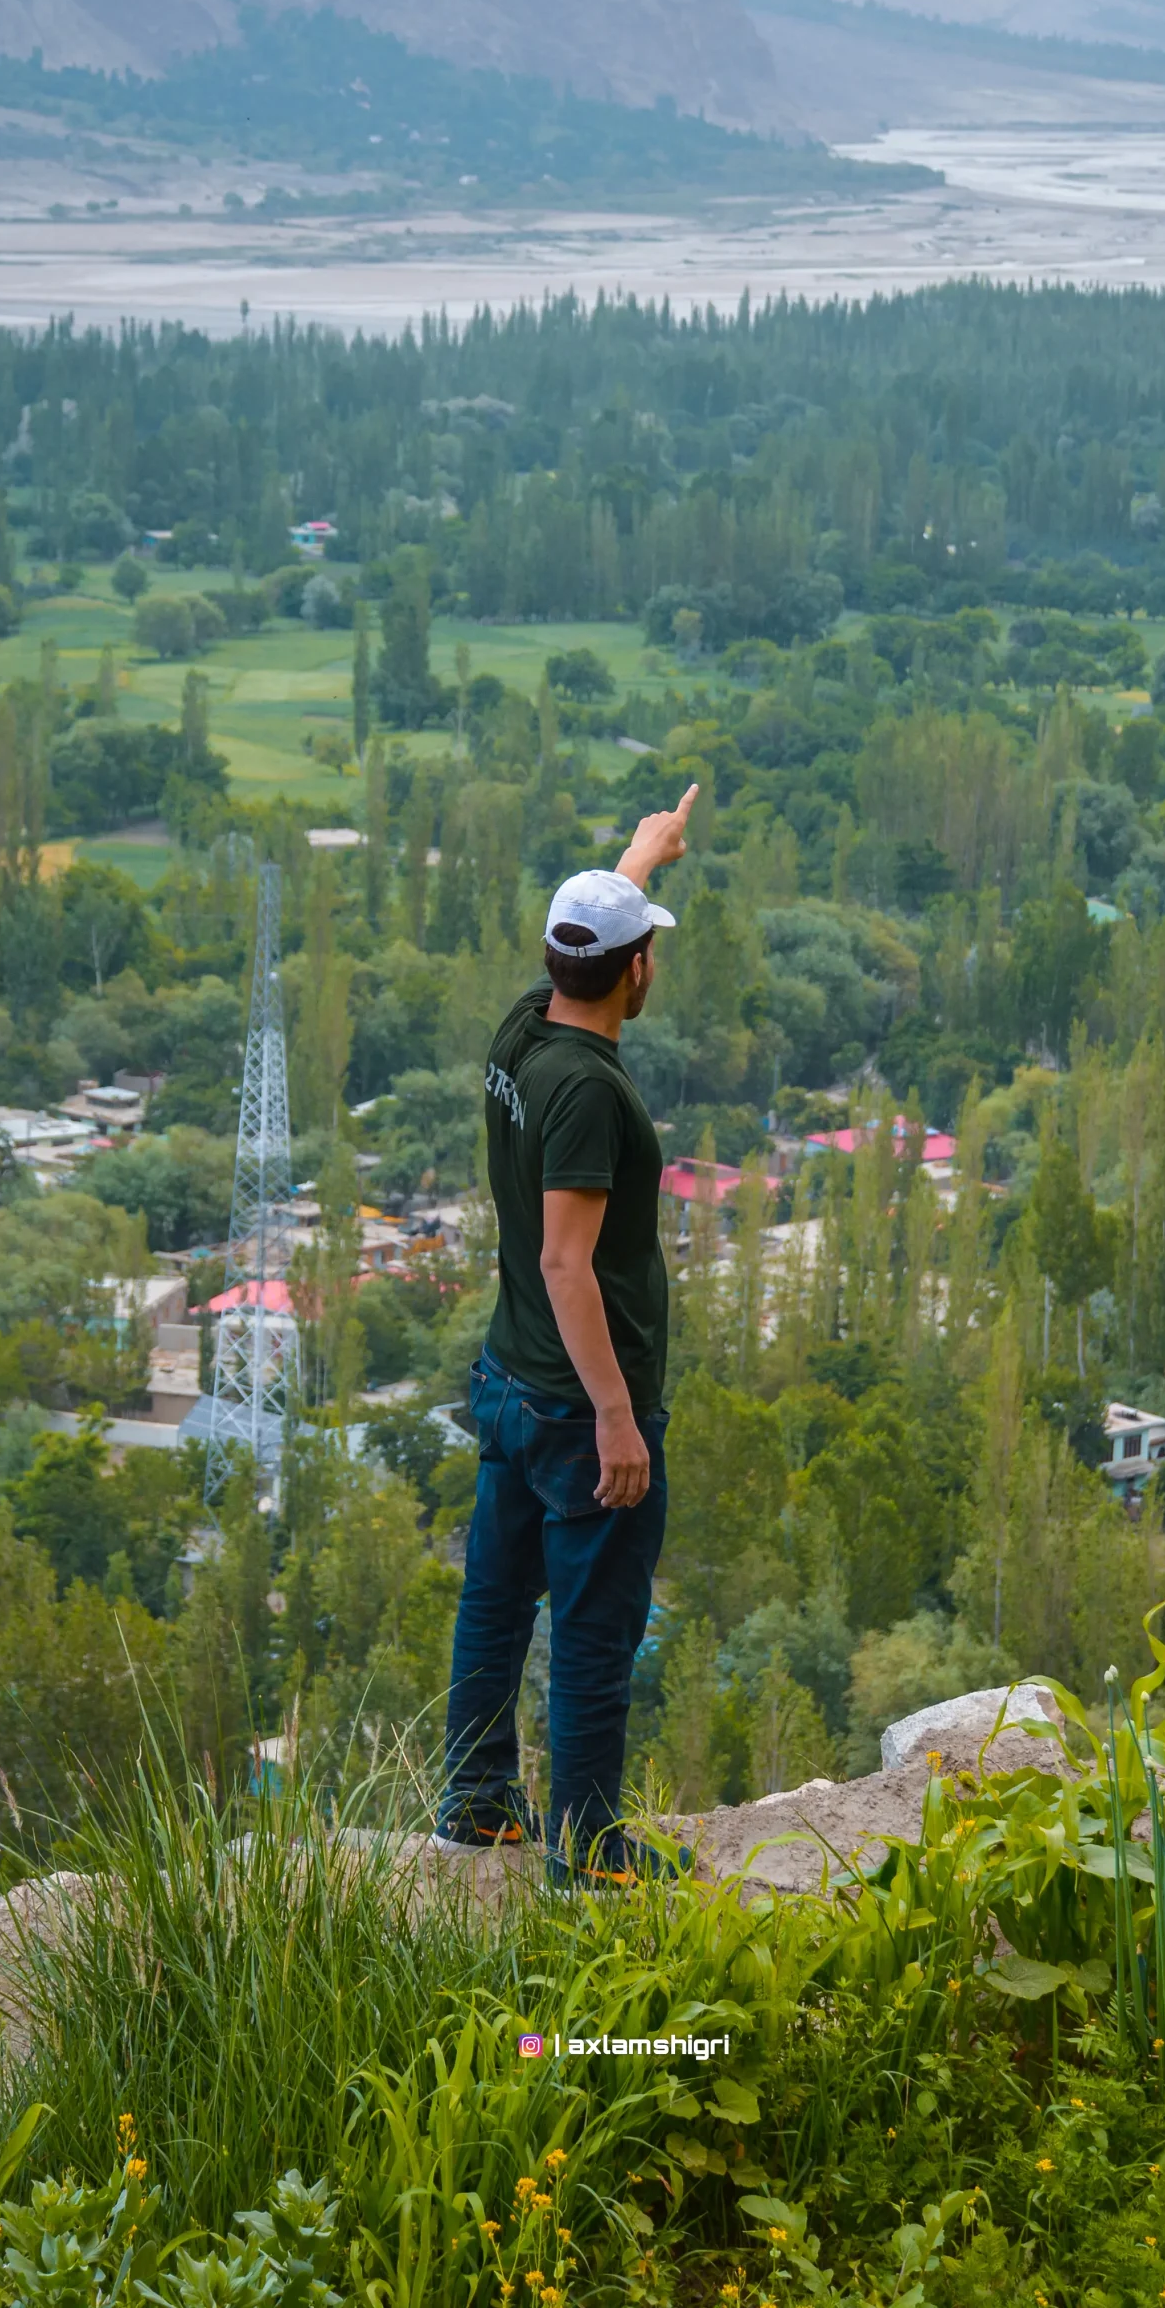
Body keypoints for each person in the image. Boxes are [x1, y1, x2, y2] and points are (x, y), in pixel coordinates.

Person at [436, 785, 699, 1882]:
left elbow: (588, 941)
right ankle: (587, 1852)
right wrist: (616, 1420)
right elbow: (564, 1261)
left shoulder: (525, 1027)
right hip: (574, 1402)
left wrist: (639, 859)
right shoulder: (588, 1090)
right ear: (637, 972)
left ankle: (475, 1801)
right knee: (595, 1626)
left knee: (497, 1597)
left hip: (510, 1378)